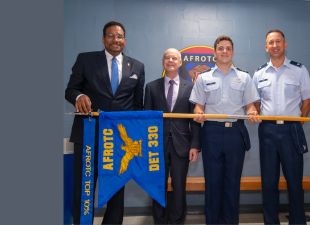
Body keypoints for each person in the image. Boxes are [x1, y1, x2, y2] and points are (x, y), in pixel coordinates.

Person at [65, 21, 145, 225]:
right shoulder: (86, 60)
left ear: (124, 40)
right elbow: (70, 90)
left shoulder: (136, 66)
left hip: (119, 140)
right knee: (85, 188)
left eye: (119, 36)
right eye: (111, 35)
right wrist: (79, 96)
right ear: (103, 39)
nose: (115, 39)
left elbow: (137, 106)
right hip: (88, 136)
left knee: (116, 190)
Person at [189, 35, 260, 224]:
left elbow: (251, 106)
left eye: (228, 48)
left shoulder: (244, 77)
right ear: (214, 53)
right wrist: (198, 113)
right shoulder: (203, 78)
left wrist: (253, 112)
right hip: (211, 132)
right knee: (212, 182)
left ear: (233, 52)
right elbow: (198, 106)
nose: (224, 51)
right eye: (221, 48)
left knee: (232, 182)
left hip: (235, 133)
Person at [253, 29, 310, 225]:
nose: (275, 45)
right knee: (268, 183)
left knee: (294, 182)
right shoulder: (259, 73)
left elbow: (307, 100)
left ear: (285, 44)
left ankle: (298, 221)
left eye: (278, 42)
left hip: (291, 130)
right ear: (266, 47)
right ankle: (271, 222)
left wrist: (298, 121)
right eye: (271, 42)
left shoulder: (299, 69)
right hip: (267, 131)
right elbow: (256, 102)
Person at [144, 48, 201, 224]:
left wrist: (195, 145)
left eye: (174, 58)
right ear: (163, 61)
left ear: (180, 62)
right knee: (157, 186)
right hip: (156, 145)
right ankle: (160, 221)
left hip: (181, 145)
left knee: (178, 186)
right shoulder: (151, 87)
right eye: (167, 57)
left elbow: (195, 120)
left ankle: (177, 221)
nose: (170, 60)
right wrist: (147, 146)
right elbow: (147, 119)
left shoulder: (191, 87)